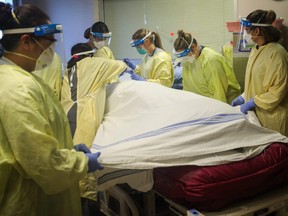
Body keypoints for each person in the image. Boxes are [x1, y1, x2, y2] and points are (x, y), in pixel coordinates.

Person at [0, 3, 103, 216]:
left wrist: (66, 150)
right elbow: (44, 165)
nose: (52, 51)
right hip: (33, 202)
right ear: (26, 41)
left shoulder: (19, 80)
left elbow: (32, 144)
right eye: (48, 44)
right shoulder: (19, 89)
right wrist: (81, 162)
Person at [61, 43, 127, 216]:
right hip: (83, 120)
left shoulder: (69, 70)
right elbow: (120, 65)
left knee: (73, 173)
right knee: (85, 179)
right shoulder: (93, 64)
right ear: (89, 54)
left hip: (66, 118)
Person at [231, 9, 288, 137]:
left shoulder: (277, 54)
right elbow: (256, 82)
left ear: (257, 31)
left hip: (272, 118)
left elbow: (276, 92)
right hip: (257, 115)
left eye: (247, 30)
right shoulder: (256, 50)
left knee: (276, 154)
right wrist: (244, 96)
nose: (246, 34)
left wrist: (252, 102)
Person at [173, 30, 241, 104]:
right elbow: (187, 86)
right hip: (203, 104)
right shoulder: (188, 61)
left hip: (223, 104)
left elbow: (219, 94)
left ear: (194, 47)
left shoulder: (211, 60)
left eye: (185, 56)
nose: (184, 59)